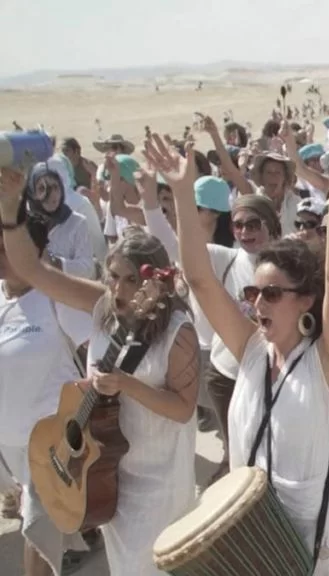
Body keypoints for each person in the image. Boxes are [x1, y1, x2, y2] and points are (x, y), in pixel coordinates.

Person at [149, 130, 329, 574]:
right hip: (246, 532)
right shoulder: (249, 349)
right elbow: (201, 279)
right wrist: (182, 193)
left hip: (311, 536)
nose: (257, 303)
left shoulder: (326, 363)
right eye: (252, 292)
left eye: (271, 294)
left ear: (304, 300)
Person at [1, 167, 199, 576]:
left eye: (132, 279)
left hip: (158, 482)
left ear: (157, 282)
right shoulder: (102, 305)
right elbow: (32, 269)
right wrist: (9, 211)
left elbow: (182, 409)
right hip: (105, 474)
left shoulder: (177, 333)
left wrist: (126, 384)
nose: (122, 290)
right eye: (114, 277)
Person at [0, 212, 92, 576]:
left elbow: (97, 358)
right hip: (10, 448)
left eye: (8, 248)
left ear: (35, 251)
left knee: (35, 534)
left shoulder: (57, 299)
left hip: (52, 443)